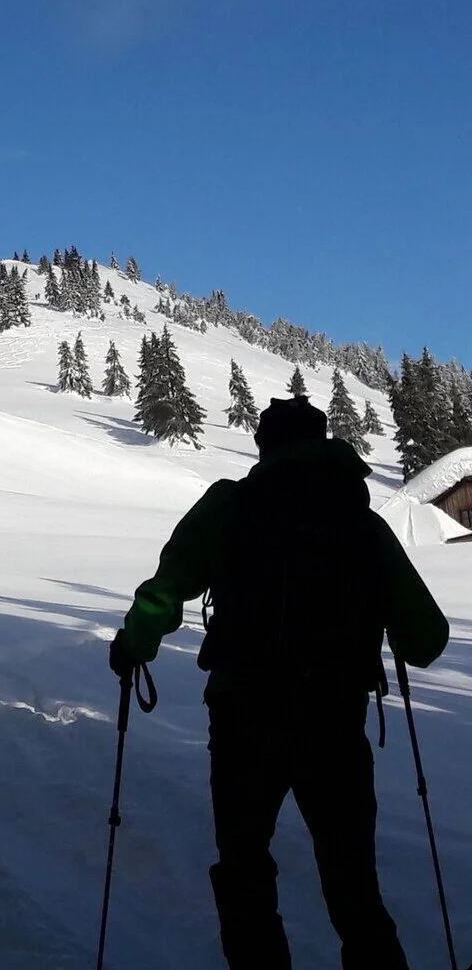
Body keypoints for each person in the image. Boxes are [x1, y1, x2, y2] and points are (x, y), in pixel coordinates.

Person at [110, 396, 449, 970]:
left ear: (263, 446)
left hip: (245, 719)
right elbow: (427, 639)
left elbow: (167, 588)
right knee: (353, 883)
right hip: (335, 725)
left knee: (243, 869)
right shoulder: (362, 524)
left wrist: (134, 645)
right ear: (324, 445)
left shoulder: (230, 506)